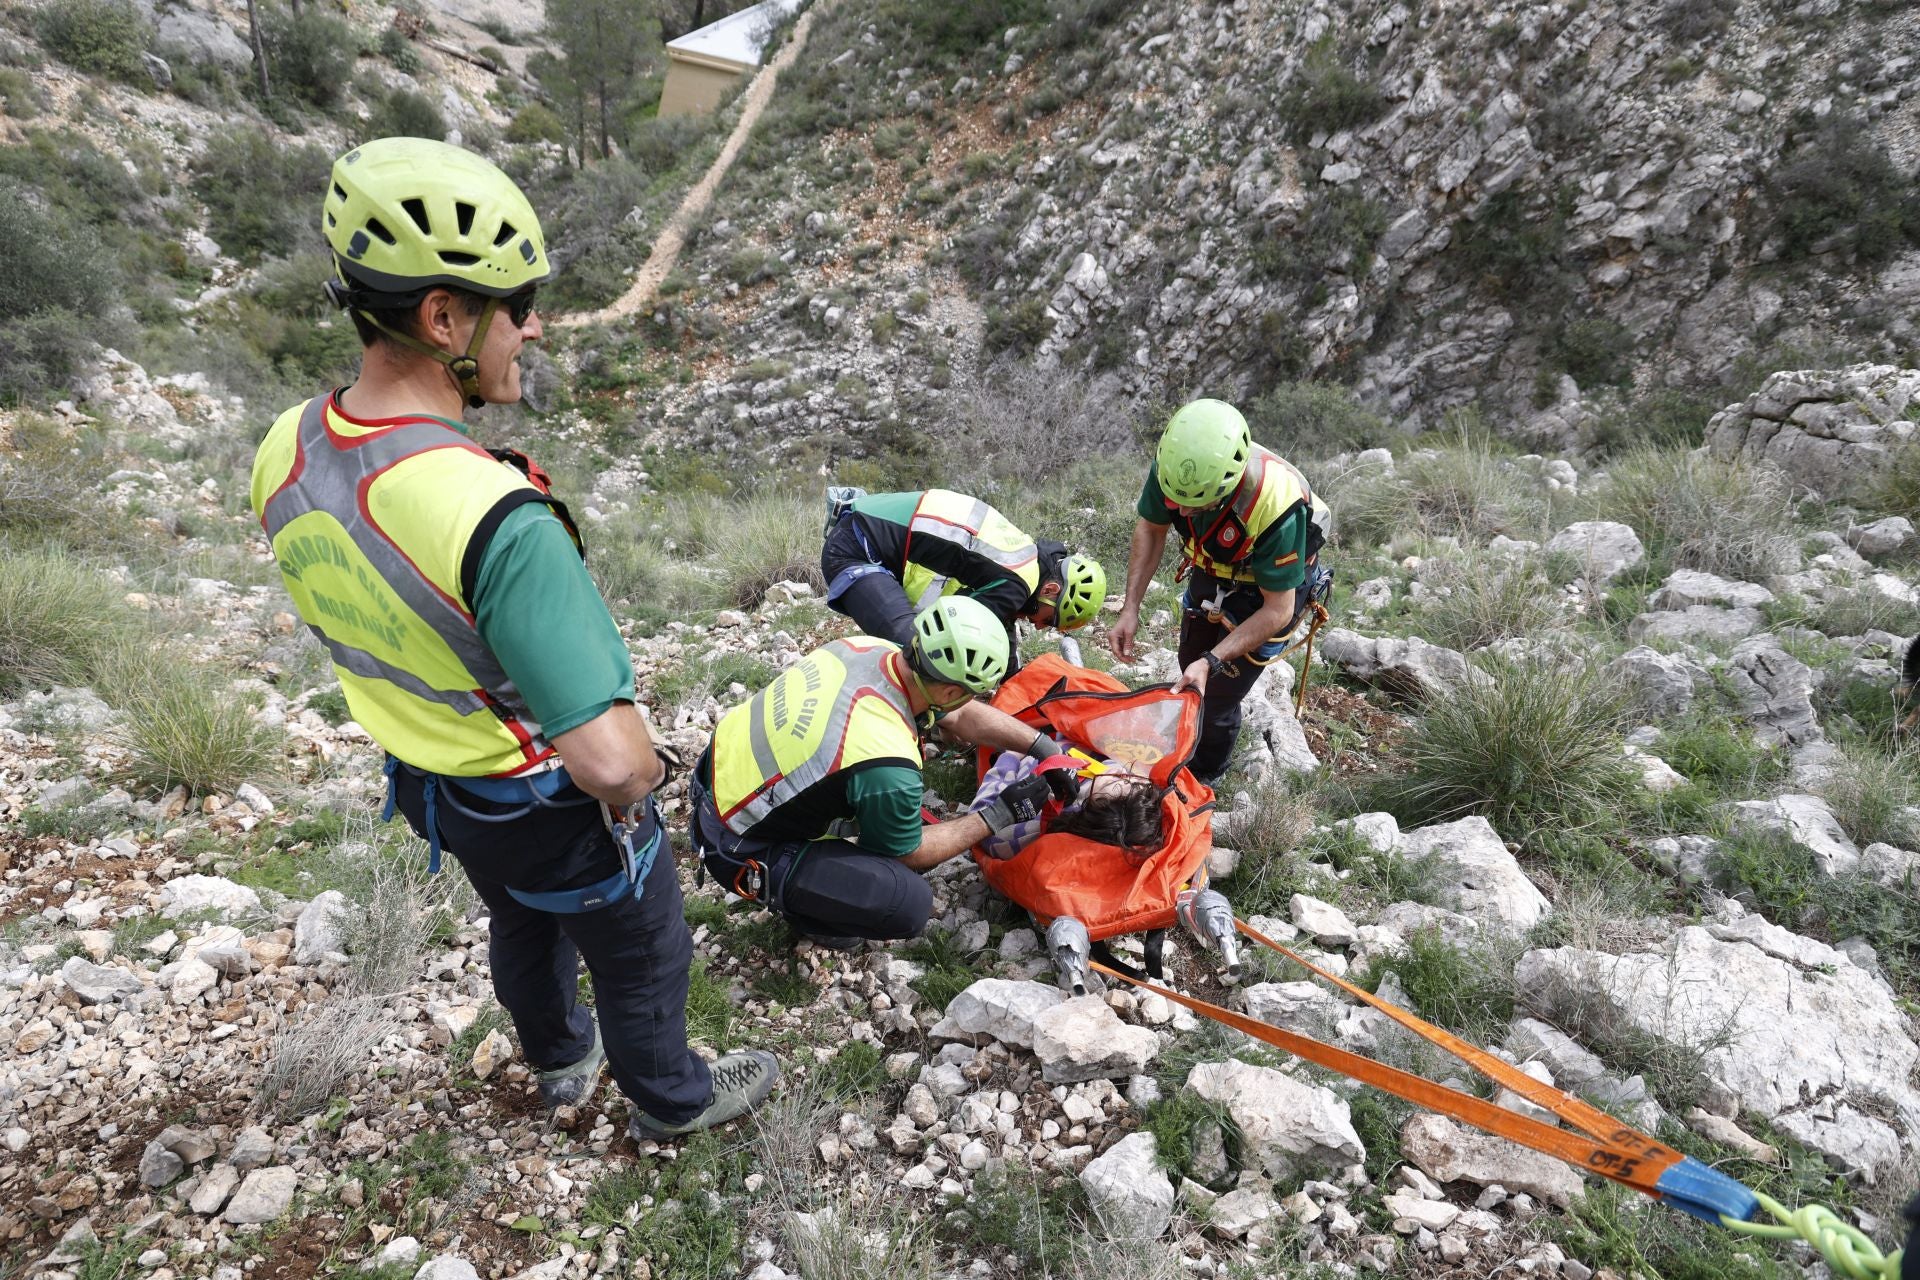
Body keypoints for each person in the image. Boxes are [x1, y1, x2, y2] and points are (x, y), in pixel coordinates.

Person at [249, 137, 775, 1142]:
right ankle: (673, 1099)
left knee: (523, 919)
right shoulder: (493, 515)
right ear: (443, 316)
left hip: (439, 790)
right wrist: (653, 772)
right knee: (642, 947)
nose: (531, 328)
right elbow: (613, 764)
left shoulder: (289, 446)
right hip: (542, 797)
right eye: (516, 304)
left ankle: (561, 1061)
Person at [689, 596, 1082, 945]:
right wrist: (998, 815)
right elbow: (909, 851)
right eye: (970, 690)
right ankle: (801, 905)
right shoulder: (886, 760)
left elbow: (959, 713)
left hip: (718, 774)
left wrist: (1041, 746)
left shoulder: (865, 648)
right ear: (947, 691)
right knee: (906, 902)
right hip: (737, 845)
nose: (968, 701)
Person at [1108, 398, 1331, 784]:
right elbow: (1151, 528)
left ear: (1227, 486)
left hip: (1269, 590)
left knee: (1218, 698)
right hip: (1213, 565)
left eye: (1196, 506)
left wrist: (1213, 661)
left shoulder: (1276, 505)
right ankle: (1184, 747)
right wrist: (1130, 607)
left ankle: (1206, 774)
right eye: (1177, 502)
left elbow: (1277, 610)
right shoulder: (1176, 470)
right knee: (1187, 666)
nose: (1181, 511)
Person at [820, 486, 1106, 663]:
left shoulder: (1022, 557)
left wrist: (1010, 679)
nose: (1040, 626)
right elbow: (956, 630)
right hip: (856, 550)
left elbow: (1001, 623)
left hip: (863, 531)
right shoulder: (1018, 583)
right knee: (921, 654)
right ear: (1051, 590)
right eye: (1049, 619)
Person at [969, 751, 1167, 862]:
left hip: (1021, 752)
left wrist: (1009, 757)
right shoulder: (1116, 784)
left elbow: (982, 824)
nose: (1120, 772)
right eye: (1130, 778)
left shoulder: (1038, 819)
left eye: (1116, 779)